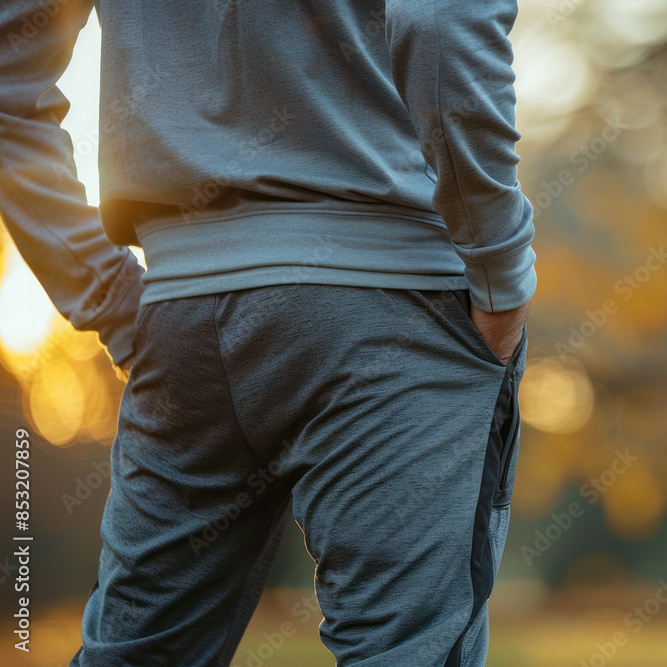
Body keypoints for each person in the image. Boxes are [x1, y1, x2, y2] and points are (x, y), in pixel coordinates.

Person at [0, 0, 535, 664]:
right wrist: (499, 267)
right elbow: (438, 19)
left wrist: (107, 292)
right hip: (394, 303)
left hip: (183, 314)